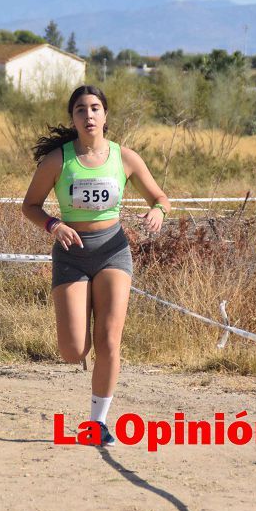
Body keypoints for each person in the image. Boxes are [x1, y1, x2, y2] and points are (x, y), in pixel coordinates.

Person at [22, 85, 169, 446]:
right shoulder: (57, 160)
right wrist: (54, 225)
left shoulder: (125, 158)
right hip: (71, 254)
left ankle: (97, 422)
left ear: (105, 115)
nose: (88, 115)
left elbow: (161, 197)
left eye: (95, 108)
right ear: (72, 118)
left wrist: (158, 211)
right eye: (80, 110)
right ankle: (83, 355)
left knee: (109, 341)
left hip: (112, 251)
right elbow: (30, 205)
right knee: (73, 350)